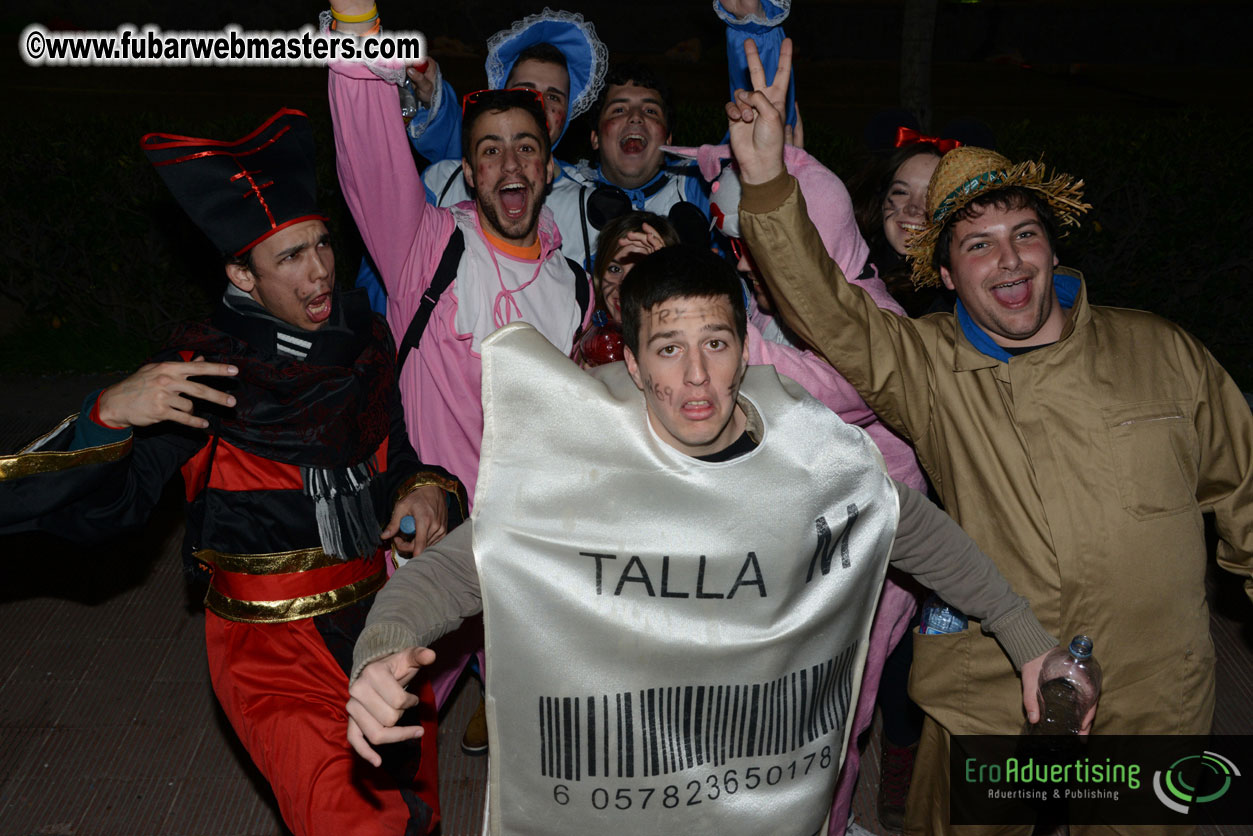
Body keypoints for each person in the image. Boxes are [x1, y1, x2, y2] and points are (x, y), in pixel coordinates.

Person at [344, 245, 1058, 836]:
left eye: (714, 344)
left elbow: (923, 538)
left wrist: (1024, 638)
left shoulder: (809, 458)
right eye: (668, 348)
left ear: (744, 350)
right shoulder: (583, 474)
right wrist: (379, 653)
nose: (694, 377)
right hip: (622, 786)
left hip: (756, 791)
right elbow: (442, 577)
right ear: (631, 363)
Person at [729, 57, 1253, 834]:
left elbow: (1241, 493)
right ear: (944, 271)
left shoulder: (1161, 350)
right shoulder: (925, 365)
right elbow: (826, 310)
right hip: (994, 689)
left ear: (1049, 246)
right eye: (977, 245)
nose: (1007, 260)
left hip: (1152, 695)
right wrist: (769, 178)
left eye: (1023, 234)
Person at [0, 109, 466, 836]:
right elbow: (111, 510)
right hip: (270, 649)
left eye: (321, 245)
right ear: (240, 274)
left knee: (414, 810)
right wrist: (109, 415)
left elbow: (399, 450)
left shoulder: (360, 336)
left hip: (379, 625)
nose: (319, 271)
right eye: (289, 258)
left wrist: (423, 488)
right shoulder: (203, 374)